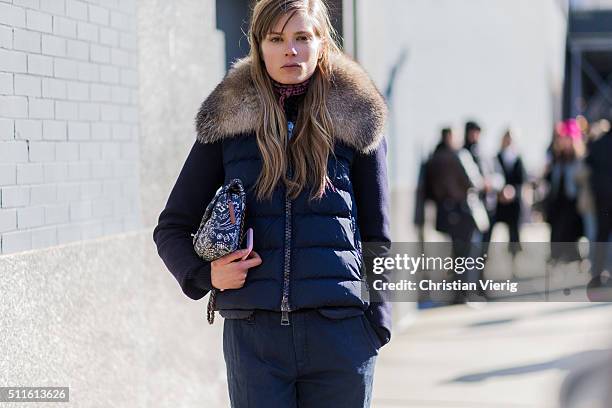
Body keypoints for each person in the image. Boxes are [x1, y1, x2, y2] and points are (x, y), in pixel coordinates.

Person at [153, 1, 391, 406]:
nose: (290, 50)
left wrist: (377, 324)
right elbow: (171, 227)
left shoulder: (358, 118)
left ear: (321, 43)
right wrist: (205, 275)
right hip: (255, 342)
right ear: (259, 45)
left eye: (302, 37)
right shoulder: (228, 120)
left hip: (342, 337)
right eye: (277, 39)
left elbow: (378, 236)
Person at [426, 127, 486, 303]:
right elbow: (473, 181)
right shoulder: (460, 155)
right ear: (451, 137)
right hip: (465, 211)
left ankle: (458, 294)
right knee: (469, 254)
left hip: (446, 211)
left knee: (457, 254)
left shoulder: (434, 158)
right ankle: (466, 294)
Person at [544, 119, 585, 264]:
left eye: (567, 139)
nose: (564, 142)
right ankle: (556, 256)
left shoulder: (579, 158)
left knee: (571, 229)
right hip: (558, 199)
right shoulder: (557, 157)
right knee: (556, 227)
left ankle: (572, 256)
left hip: (572, 200)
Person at [585, 125, 612, 288]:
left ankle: (597, 273)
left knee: (601, 236)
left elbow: (589, 165)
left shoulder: (597, 144)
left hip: (601, 200)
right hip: (603, 198)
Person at [492, 129, 526, 258]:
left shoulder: (518, 158)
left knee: (514, 234)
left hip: (514, 202)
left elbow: (522, 180)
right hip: (499, 202)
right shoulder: (497, 157)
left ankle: (514, 259)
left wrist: (513, 192)